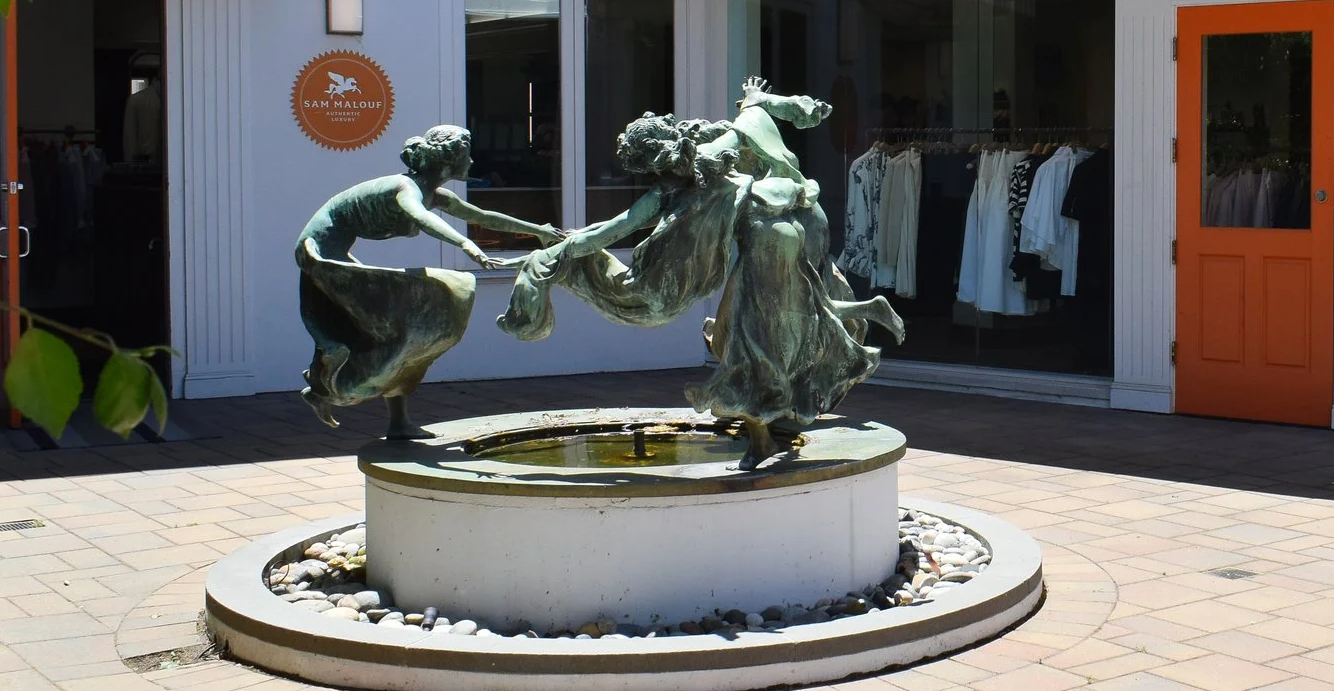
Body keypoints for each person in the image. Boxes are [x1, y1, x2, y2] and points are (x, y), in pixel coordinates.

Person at [500, 80, 903, 465]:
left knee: (749, 341)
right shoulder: (715, 149)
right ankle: (856, 323)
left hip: (768, 238)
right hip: (802, 218)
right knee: (786, 317)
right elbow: (758, 117)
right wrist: (762, 99)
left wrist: (556, 254)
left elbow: (610, 231)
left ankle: (761, 437)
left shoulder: (666, 193)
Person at [297, 125, 553, 437]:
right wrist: (465, 244)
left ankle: (396, 421)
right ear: (449, 160)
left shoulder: (434, 193)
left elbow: (482, 216)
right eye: (467, 155)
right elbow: (420, 216)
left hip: (334, 250)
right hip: (320, 251)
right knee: (397, 328)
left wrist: (538, 230)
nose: (472, 162)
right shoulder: (406, 188)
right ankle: (326, 389)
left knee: (405, 331)